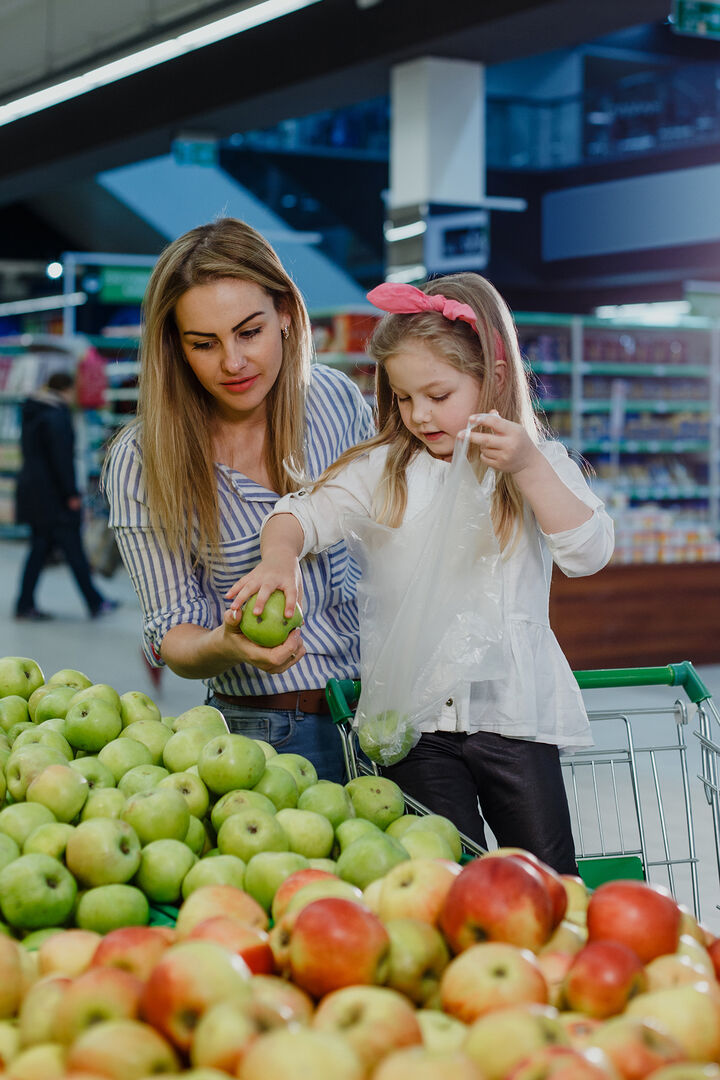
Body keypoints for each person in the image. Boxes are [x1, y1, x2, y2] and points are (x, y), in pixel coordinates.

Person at [228, 272, 615, 873]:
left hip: (512, 714)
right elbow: (299, 514)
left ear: (494, 376)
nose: (420, 415)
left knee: (546, 880)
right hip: (412, 725)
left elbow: (588, 552)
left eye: (438, 394)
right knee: (440, 879)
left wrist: (529, 466)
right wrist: (280, 560)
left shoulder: (534, 463)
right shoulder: (382, 470)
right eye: (404, 398)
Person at [103, 218, 375, 782]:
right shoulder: (144, 459)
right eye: (204, 343)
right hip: (264, 734)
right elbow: (172, 632)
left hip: (389, 712)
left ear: (284, 314)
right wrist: (226, 643)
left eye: (248, 332)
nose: (232, 362)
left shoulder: (334, 399)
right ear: (175, 346)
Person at [14, 371, 119, 621]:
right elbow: (61, 460)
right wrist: (71, 493)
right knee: (69, 549)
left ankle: (26, 604)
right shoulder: (56, 415)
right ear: (68, 389)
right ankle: (95, 602)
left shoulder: (34, 411)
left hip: (35, 493)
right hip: (54, 498)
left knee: (41, 549)